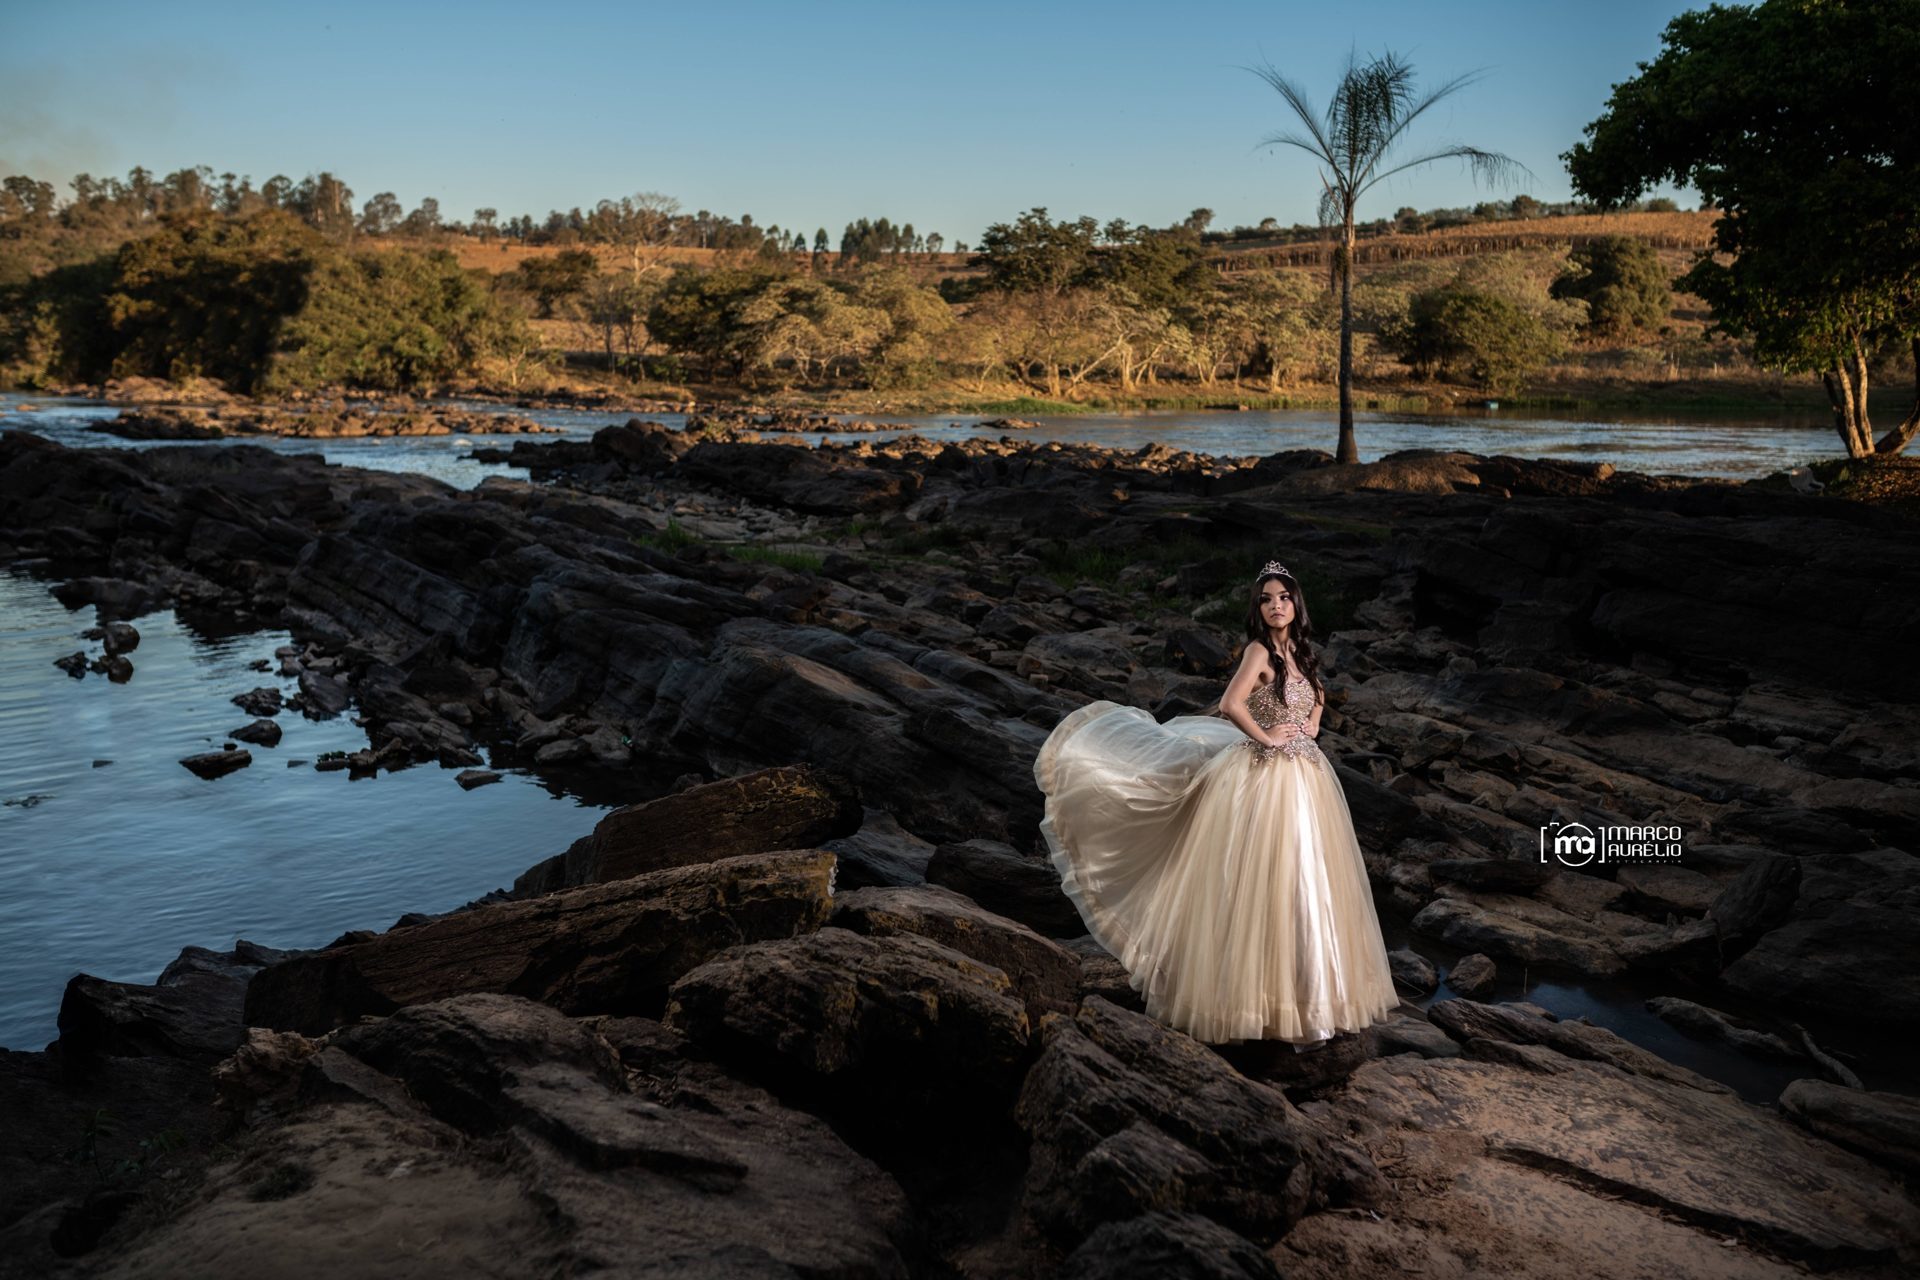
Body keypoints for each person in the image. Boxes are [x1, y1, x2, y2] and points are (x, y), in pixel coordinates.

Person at [1033, 560, 1400, 1049]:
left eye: (1284, 598)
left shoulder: (1301, 653)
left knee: (1304, 882)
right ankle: (1254, 1004)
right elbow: (1231, 704)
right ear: (1258, 607)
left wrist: (1312, 722)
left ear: (1296, 604)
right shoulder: (1258, 650)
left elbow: (1317, 695)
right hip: (1267, 778)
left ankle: (1307, 997)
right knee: (1261, 885)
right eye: (1267, 599)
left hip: (1307, 780)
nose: (1275, 606)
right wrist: (1268, 738)